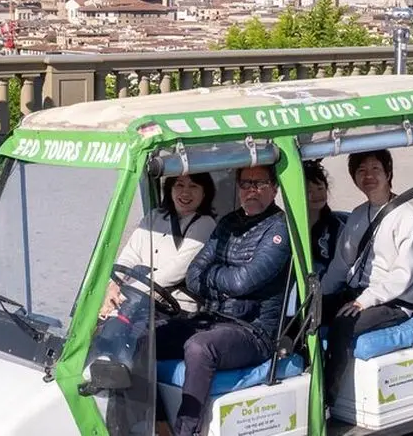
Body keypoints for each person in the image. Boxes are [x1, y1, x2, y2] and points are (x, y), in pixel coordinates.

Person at [154, 165, 292, 436]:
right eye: (245, 184)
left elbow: (244, 281)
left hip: (254, 332)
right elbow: (194, 274)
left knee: (199, 347)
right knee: (145, 336)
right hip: (215, 319)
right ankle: (158, 424)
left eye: (259, 183)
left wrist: (213, 276)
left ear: (274, 188)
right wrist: (223, 280)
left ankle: (187, 431)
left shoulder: (280, 229)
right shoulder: (228, 223)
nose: (251, 190)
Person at [319, 149, 413, 406]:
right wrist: (319, 295)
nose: (368, 176)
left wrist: (365, 300)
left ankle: (326, 401)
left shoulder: (406, 216)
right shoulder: (358, 214)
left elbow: (403, 276)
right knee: (306, 316)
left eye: (375, 169)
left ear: (388, 173)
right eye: (361, 171)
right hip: (360, 293)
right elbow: (341, 263)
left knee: (342, 324)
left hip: (396, 302)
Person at [99, 172, 218, 318]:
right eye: (179, 185)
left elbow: (175, 271)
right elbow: (130, 254)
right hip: (136, 297)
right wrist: (115, 284)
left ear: (205, 193)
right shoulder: (155, 216)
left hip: (173, 305)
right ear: (170, 189)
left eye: (193, 186)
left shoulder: (205, 224)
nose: (185, 192)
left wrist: (128, 292)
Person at [304, 159, 348, 277]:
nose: (316, 195)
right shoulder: (286, 227)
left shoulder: (337, 228)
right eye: (309, 191)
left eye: (320, 188)